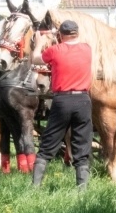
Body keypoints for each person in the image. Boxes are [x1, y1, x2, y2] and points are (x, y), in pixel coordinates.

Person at [31, 20, 93, 189]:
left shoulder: (55, 50)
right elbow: (77, 41)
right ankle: (82, 189)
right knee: (82, 143)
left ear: (61, 35)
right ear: (77, 33)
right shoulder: (87, 49)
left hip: (62, 101)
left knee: (49, 142)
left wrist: (39, 43)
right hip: (83, 100)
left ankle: (35, 187)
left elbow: (35, 59)